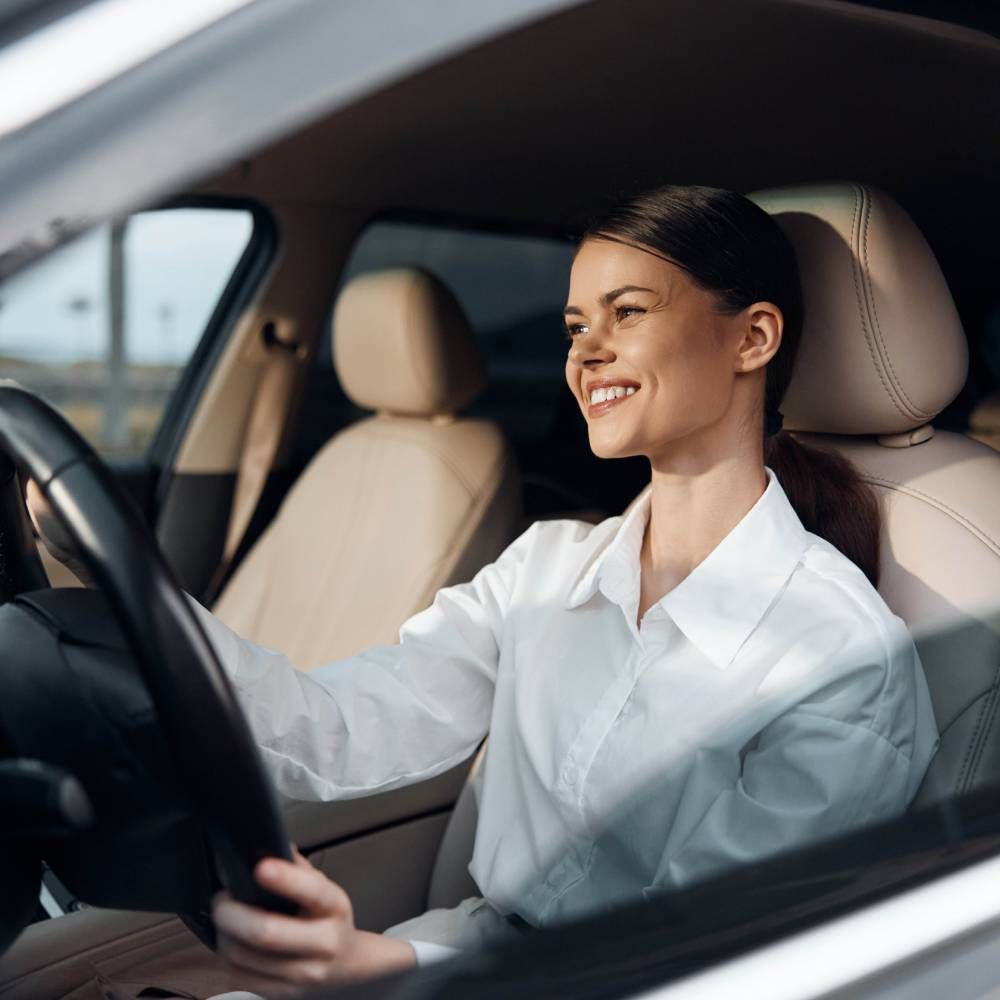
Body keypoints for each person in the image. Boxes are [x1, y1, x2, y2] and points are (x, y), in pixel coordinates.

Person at [30, 185, 939, 994]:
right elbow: (333, 729)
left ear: (754, 337)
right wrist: (135, 600)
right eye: (576, 326)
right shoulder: (543, 570)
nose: (588, 354)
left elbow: (695, 964)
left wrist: (385, 966)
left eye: (626, 312)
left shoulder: (838, 659)